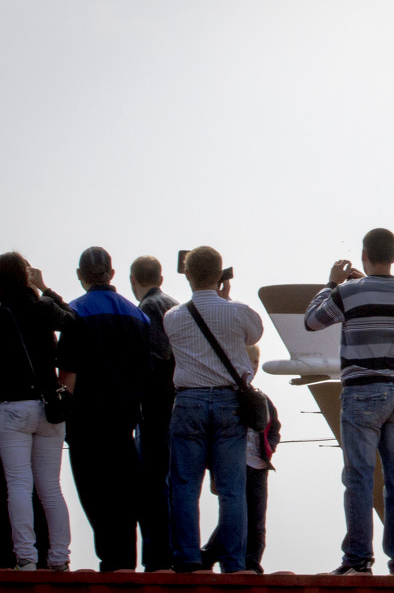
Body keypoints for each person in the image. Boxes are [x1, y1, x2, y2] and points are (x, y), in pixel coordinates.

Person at [305, 228, 394, 575]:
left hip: (362, 393)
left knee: (359, 477)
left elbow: (312, 321)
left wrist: (331, 284)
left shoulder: (348, 291)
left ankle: (358, 559)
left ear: (364, 255)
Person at [163, 246, 263, 573]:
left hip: (189, 401)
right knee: (232, 489)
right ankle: (233, 562)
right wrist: (227, 298)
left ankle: (188, 558)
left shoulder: (173, 317)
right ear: (221, 274)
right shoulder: (239, 312)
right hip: (228, 402)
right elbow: (254, 334)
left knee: (184, 485)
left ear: (188, 274)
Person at [56, 246, 155, 571]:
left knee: (95, 497)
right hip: (125, 423)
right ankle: (125, 564)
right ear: (112, 274)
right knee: (124, 497)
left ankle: (110, 564)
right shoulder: (137, 315)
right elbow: (147, 370)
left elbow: (68, 372)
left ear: (80, 276)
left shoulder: (74, 312)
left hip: (85, 425)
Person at [0, 252, 74, 572]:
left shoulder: (1, 311)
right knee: (51, 488)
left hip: (13, 407)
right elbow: (72, 321)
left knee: (18, 485)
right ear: (26, 275)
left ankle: (27, 558)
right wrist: (44, 288)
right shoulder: (41, 307)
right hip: (49, 408)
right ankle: (59, 558)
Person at [201, 345, 280, 574]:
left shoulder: (263, 399)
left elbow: (274, 428)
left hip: (259, 465)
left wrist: (269, 448)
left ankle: (252, 562)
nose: (253, 367)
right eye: (249, 362)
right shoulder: (223, 396)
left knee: (257, 518)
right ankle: (209, 555)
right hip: (234, 463)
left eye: (256, 363)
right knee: (235, 515)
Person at [129, 255, 178, 571]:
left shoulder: (148, 309)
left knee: (151, 486)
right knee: (171, 485)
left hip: (155, 410)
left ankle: (157, 557)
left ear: (133, 279)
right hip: (175, 407)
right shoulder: (173, 304)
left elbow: (156, 357)